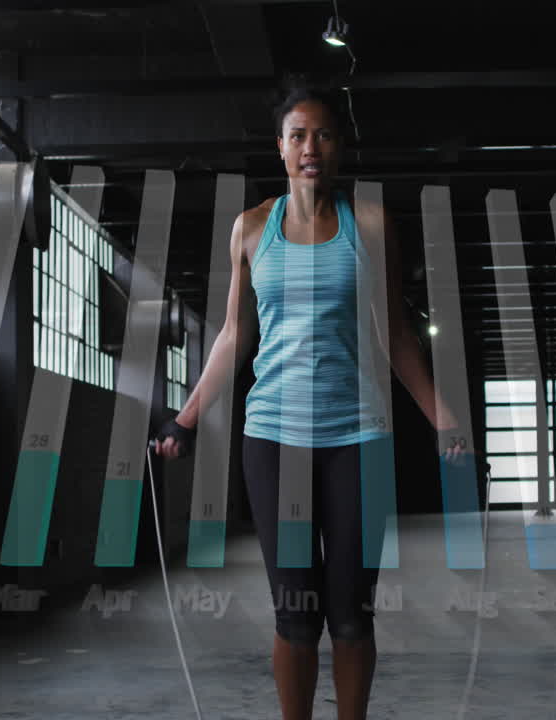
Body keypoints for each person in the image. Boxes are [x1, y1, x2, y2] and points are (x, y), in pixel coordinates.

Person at [153, 84, 470, 720]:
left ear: (340, 146)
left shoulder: (372, 225)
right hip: (274, 440)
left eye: (323, 134)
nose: (310, 148)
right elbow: (234, 336)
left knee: (351, 612)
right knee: (297, 610)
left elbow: (397, 337)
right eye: (297, 135)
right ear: (279, 146)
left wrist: (446, 420)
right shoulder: (250, 230)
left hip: (359, 440)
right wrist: (186, 416)